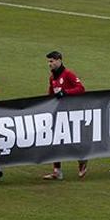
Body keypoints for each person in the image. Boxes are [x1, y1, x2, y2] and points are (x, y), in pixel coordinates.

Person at [43, 51, 86, 180]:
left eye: (52, 61)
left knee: (73, 140)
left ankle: (82, 162)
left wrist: (65, 92)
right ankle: (57, 171)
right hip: (58, 113)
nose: (50, 64)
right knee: (55, 141)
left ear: (59, 60)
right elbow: (51, 94)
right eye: (49, 61)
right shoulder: (52, 77)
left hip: (72, 113)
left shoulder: (68, 74)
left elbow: (81, 88)